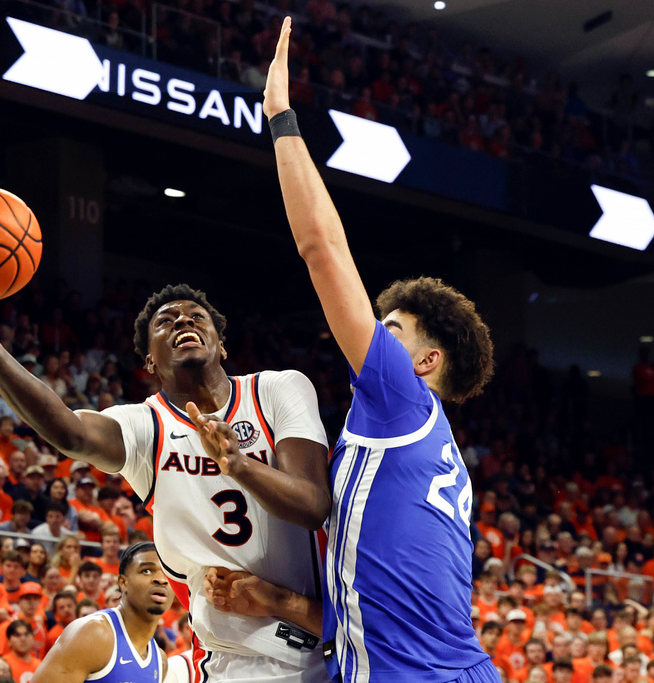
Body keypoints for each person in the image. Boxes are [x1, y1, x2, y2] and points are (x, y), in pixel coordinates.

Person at [207, 17, 498, 682]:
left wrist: (281, 118)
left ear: (426, 362)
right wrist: (278, 601)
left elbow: (322, 249)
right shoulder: (434, 458)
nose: (371, 335)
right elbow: (388, 616)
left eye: (391, 330)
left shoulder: (402, 399)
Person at [0, 231, 332, 680]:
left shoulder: (278, 389)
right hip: (233, 659)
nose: (181, 321)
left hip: (324, 642)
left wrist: (238, 464)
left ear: (222, 344)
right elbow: (67, 430)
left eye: (196, 316)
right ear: (150, 362)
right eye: (165, 322)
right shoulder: (145, 425)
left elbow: (312, 506)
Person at [33, 542, 170, 682]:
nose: (161, 579)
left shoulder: (160, 661)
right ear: (123, 582)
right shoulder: (92, 633)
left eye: (167, 572)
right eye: (146, 571)